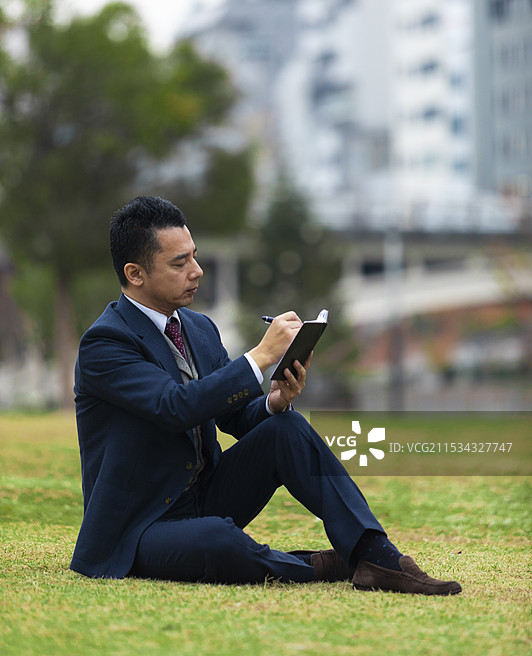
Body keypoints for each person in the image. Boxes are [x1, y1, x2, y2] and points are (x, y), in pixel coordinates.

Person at [70, 195, 461, 595]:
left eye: (194, 257)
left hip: (206, 496)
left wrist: (274, 401)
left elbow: (235, 417)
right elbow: (174, 408)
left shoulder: (199, 328)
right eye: (179, 263)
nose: (197, 271)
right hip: (141, 526)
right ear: (135, 273)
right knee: (218, 542)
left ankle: (374, 553)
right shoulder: (106, 342)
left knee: (286, 427)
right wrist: (259, 356)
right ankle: (319, 564)